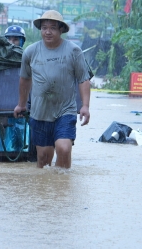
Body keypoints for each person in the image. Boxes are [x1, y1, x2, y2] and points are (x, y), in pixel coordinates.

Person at [13, 10, 91, 168]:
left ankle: (62, 184)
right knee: (43, 159)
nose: (48, 32)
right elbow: (25, 79)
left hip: (65, 110)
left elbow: (83, 79)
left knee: (63, 148)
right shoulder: (30, 52)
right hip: (40, 112)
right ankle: (49, 190)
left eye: (53, 28)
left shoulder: (74, 51)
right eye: (44, 28)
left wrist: (85, 106)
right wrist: (21, 105)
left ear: (61, 29)